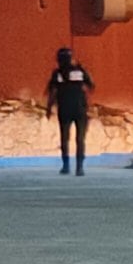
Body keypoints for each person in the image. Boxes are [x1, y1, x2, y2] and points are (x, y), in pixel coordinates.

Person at [45, 47, 94, 175]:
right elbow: (91, 86)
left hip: (65, 109)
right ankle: (79, 167)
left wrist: (49, 108)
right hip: (80, 109)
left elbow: (52, 92)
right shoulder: (80, 70)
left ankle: (66, 166)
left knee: (65, 138)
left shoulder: (57, 73)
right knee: (80, 139)